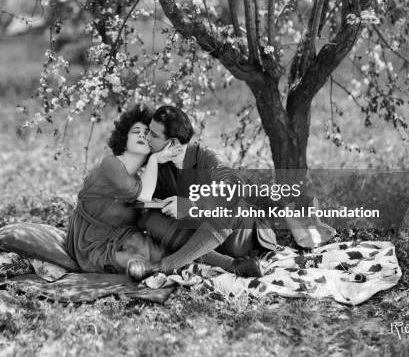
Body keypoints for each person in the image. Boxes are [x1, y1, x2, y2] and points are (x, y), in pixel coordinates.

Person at [131, 105, 278, 278]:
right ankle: (236, 266)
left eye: (154, 135)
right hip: (201, 237)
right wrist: (154, 161)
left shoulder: (205, 156)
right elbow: (141, 199)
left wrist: (190, 205)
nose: (147, 137)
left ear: (173, 143)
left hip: (237, 236)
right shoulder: (160, 164)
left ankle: (163, 267)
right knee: (150, 219)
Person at [65, 105, 183, 275]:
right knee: (134, 262)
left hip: (121, 237)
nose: (142, 135)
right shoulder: (110, 164)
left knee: (163, 254)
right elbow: (143, 195)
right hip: (89, 242)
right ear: (124, 139)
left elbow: (141, 208)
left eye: (148, 133)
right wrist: (155, 160)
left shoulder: (140, 179)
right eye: (136, 131)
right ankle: (142, 267)